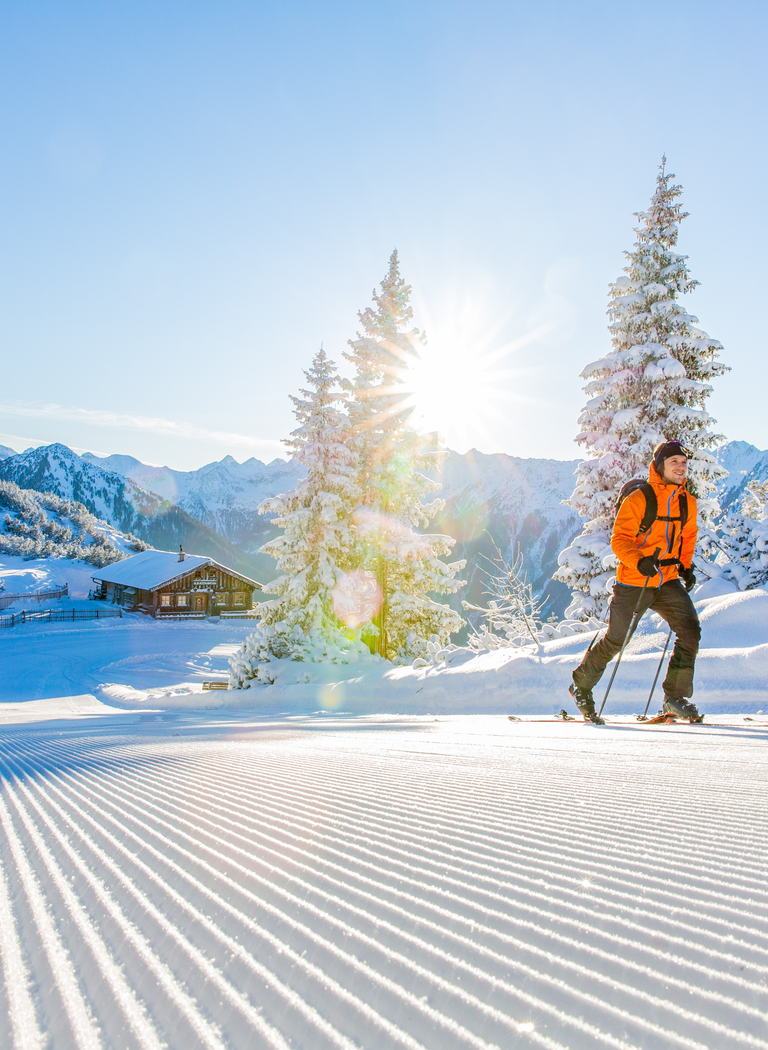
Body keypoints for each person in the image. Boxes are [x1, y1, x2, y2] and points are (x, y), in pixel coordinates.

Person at [570, 440, 702, 724]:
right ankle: (580, 685)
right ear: (660, 467)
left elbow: (687, 537)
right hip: (634, 580)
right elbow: (619, 540)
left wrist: (686, 567)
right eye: (674, 463)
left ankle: (674, 697)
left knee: (690, 630)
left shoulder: (686, 502)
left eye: (683, 463)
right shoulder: (640, 498)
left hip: (665, 579)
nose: (680, 468)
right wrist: (639, 560)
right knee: (617, 640)